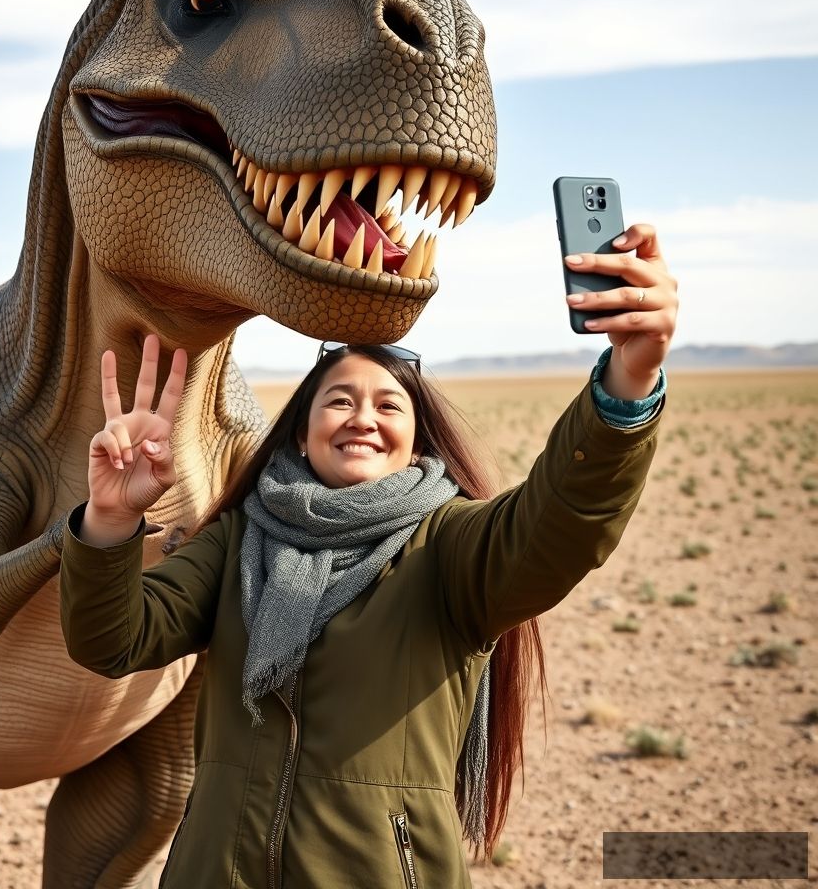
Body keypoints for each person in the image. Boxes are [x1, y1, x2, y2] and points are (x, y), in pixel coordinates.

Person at [59, 224, 678, 887]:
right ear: (302, 430)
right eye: (340, 400)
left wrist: (627, 383)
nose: (362, 417)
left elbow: (559, 523)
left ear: (416, 445)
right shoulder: (239, 539)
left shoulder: (450, 547)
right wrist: (112, 519)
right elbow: (112, 640)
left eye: (389, 405)